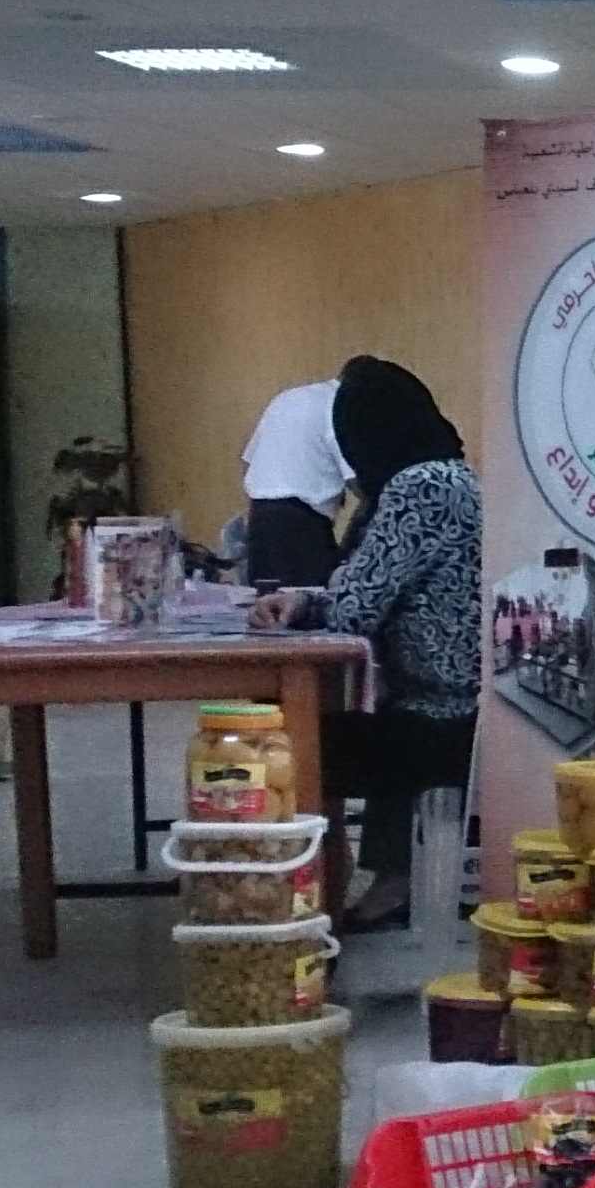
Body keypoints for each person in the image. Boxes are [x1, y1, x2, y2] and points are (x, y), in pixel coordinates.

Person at [251, 357, 477, 931]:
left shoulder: (419, 488)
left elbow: (355, 606)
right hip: (453, 704)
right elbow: (362, 589)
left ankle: (301, 893)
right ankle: (383, 878)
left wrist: (315, 599)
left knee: (290, 745)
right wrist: (305, 601)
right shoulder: (448, 477)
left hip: (442, 715)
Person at [239, 377, 348, 589]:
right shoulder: (339, 405)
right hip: (302, 523)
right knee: (308, 599)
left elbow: (248, 461)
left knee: (265, 600)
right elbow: (359, 484)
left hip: (260, 515)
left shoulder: (286, 398)